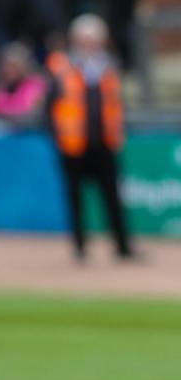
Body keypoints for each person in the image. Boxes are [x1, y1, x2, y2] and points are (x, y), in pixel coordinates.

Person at [46, 15, 135, 262]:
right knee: (75, 199)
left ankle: (123, 246)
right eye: (85, 39)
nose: (89, 45)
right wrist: (57, 138)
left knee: (113, 198)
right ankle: (80, 247)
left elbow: (117, 104)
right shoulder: (61, 66)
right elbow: (49, 108)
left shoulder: (109, 67)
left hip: (104, 143)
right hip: (73, 146)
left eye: (94, 39)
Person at [0, 43, 46, 128]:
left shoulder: (35, 86)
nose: (8, 70)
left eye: (13, 66)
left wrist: (2, 113)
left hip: (28, 136)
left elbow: (32, 115)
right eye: (6, 66)